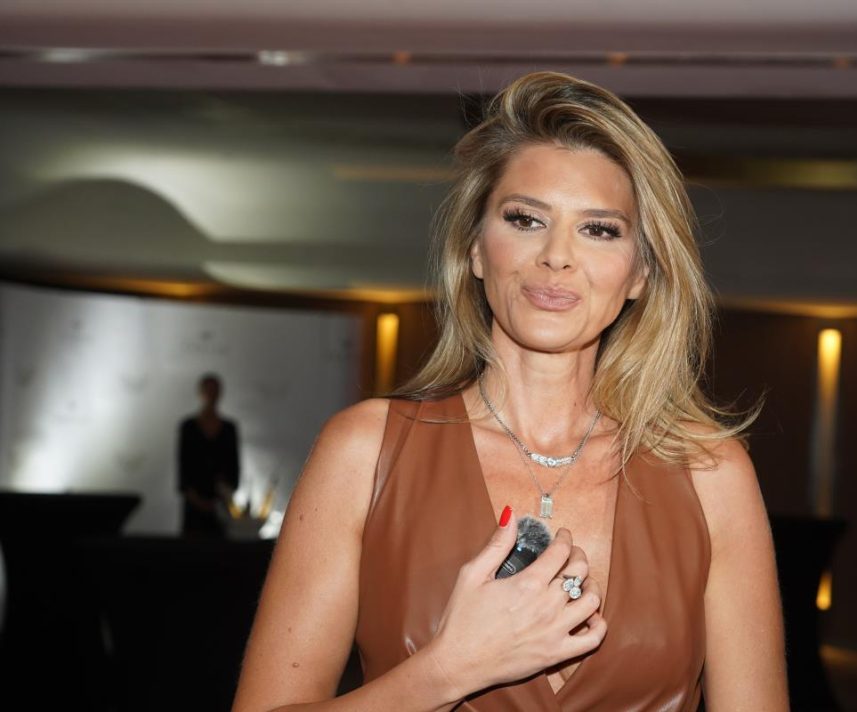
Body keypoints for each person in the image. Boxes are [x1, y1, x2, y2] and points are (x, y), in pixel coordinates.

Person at [233, 71, 787, 711]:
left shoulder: (709, 473)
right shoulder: (366, 451)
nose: (556, 256)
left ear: (640, 273)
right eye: (525, 219)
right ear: (475, 248)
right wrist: (447, 670)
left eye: (599, 229)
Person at [177, 372, 240, 537]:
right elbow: (183, 470)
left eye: (214, 391)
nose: (211, 395)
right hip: (194, 508)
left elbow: (234, 468)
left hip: (221, 507)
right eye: (208, 390)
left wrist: (220, 500)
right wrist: (198, 501)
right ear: (200, 393)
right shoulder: (188, 427)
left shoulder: (229, 429)